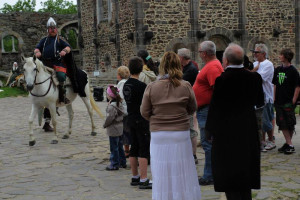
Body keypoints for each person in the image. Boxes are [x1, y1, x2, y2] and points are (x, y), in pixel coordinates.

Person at [141, 51, 201, 200]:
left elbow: (144, 111)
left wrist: (157, 118)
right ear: (178, 65)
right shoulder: (185, 85)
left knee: (162, 171)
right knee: (182, 169)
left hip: (159, 134)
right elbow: (193, 108)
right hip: (180, 132)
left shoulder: (152, 87)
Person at [206, 43, 261, 200]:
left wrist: (210, 130)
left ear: (226, 61)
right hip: (247, 129)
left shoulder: (222, 80)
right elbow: (259, 100)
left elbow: (215, 107)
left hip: (227, 131)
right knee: (245, 167)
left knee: (230, 170)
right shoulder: (254, 78)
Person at [193, 40, 223, 185]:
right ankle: (211, 173)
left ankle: (209, 175)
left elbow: (218, 90)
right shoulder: (212, 65)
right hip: (204, 109)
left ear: (204, 53)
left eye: (199, 51)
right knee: (208, 143)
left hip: (207, 110)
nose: (199, 54)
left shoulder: (213, 67)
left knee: (208, 144)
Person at [34, 17, 71, 131]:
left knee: (60, 77)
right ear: (48, 30)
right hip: (45, 66)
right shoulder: (44, 40)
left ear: (56, 29)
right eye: (50, 28)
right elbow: (36, 48)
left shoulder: (60, 40)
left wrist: (65, 51)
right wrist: (37, 52)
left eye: (54, 28)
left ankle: (62, 96)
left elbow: (68, 47)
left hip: (57, 65)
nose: (52, 30)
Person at [123, 56, 152, 189]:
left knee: (134, 147)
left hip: (130, 118)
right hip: (141, 119)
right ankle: (144, 178)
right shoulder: (141, 86)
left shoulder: (126, 84)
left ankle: (135, 176)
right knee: (143, 148)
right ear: (141, 69)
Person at [273, 49, 300, 154]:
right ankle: (289, 144)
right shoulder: (278, 69)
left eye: (281, 55)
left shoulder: (293, 71)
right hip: (279, 100)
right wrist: (274, 97)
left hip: (288, 101)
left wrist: (294, 99)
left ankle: (289, 144)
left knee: (289, 122)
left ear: (286, 57)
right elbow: (275, 84)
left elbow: (297, 87)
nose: (279, 56)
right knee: (282, 123)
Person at [251, 44, 275, 151]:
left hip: (266, 96)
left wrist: (251, 72)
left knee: (266, 120)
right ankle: (262, 140)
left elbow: (258, 78)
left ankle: (271, 140)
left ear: (263, 54)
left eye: (257, 52)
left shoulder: (268, 64)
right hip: (257, 96)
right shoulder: (255, 64)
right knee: (260, 121)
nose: (255, 54)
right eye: (254, 52)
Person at [177, 48, 199, 164]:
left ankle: (193, 154)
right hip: (186, 102)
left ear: (181, 57)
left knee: (191, 128)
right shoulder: (186, 67)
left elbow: (180, 82)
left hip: (189, 102)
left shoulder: (191, 69)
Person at [103, 85, 126, 170]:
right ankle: (122, 162)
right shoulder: (119, 103)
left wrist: (105, 125)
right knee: (120, 146)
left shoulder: (112, 106)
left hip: (113, 129)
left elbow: (109, 118)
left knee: (114, 148)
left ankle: (114, 164)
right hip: (120, 128)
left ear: (109, 95)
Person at [116, 66, 131, 158]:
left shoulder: (121, 83)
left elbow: (120, 96)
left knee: (125, 130)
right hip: (128, 110)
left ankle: (126, 150)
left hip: (124, 110)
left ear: (119, 75)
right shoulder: (127, 82)